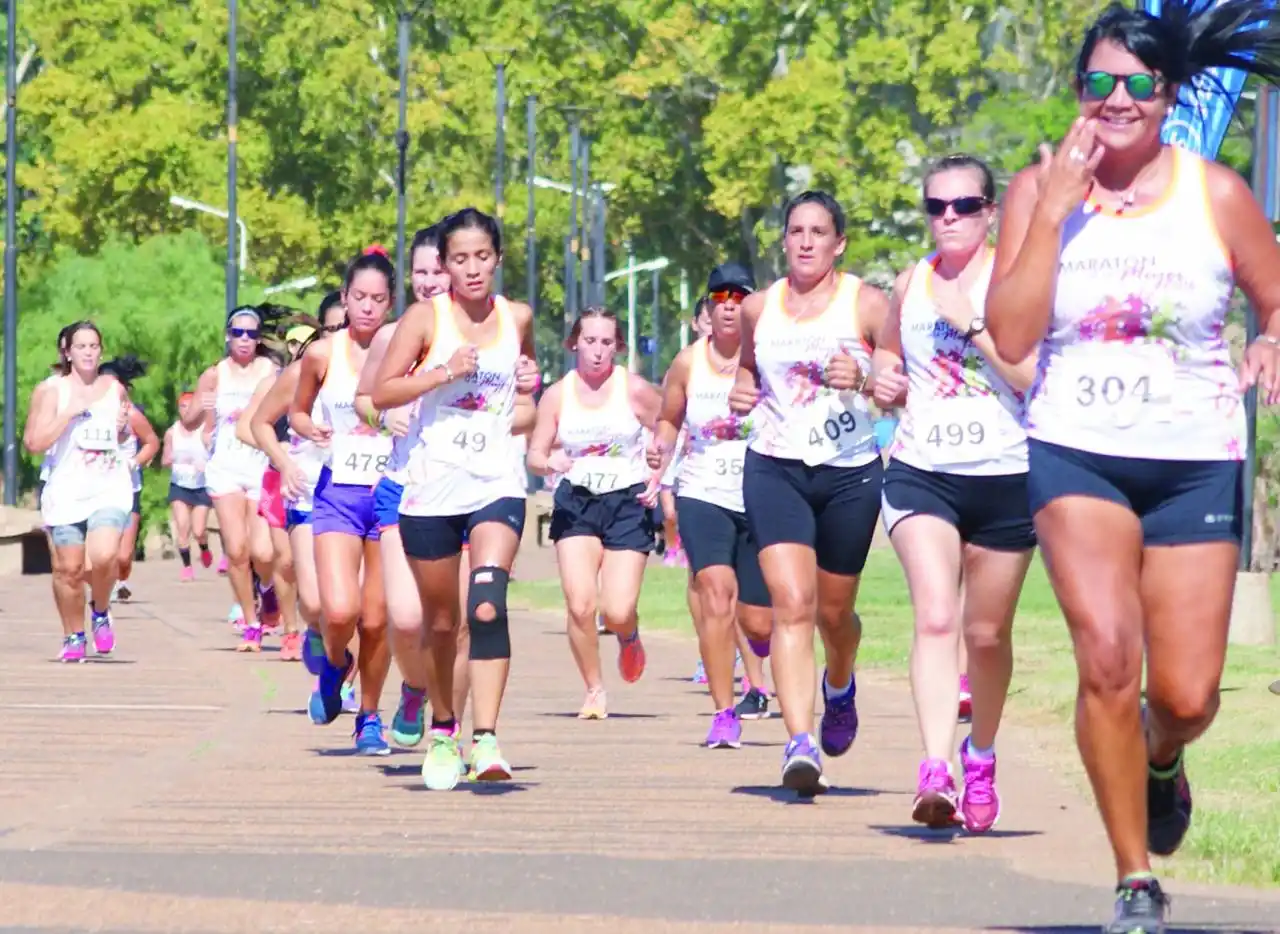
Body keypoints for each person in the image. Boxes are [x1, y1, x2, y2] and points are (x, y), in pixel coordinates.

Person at [984, 1, 1280, 928]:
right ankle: (1133, 874)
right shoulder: (1037, 193)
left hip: (1193, 456)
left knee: (1186, 694)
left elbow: (1275, 301)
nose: (1117, 99)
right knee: (1107, 658)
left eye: (1137, 84)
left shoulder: (1215, 193)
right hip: (1077, 451)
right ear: (1079, 93)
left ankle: (1162, 755)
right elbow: (1012, 330)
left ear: (1170, 95)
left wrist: (1269, 341)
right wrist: (1053, 211)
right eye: (1100, 82)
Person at [872, 153, 1036, 831]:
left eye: (964, 206)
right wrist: (881, 378)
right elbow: (885, 353)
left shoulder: (1018, 281)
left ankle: (982, 754)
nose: (948, 218)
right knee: (937, 617)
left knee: (987, 634)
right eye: (936, 207)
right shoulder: (911, 282)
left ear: (989, 212)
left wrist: (970, 322)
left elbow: (1030, 378)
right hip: (921, 470)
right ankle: (933, 768)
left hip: (1007, 473)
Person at [371, 207, 540, 788]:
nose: (472, 269)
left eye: (482, 257)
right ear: (444, 265)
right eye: (460, 259)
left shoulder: (516, 315)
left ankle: (487, 738)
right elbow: (383, 392)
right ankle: (444, 728)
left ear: (497, 259)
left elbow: (527, 368)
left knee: (486, 605)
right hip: (431, 487)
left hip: (496, 482)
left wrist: (528, 380)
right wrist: (441, 372)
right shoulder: (426, 318)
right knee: (441, 623)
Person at [729, 190, 890, 795]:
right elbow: (748, 368)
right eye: (795, 230)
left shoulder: (867, 305)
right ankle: (799, 742)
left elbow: (902, 381)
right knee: (791, 604)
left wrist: (868, 377)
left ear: (838, 243)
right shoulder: (758, 308)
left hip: (849, 471)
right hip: (775, 465)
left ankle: (840, 683)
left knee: (833, 613)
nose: (804, 242)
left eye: (818, 232)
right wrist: (743, 392)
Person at [648, 263, 773, 748]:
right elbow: (669, 420)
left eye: (738, 296)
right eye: (719, 296)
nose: (728, 304)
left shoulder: (768, 358)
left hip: (762, 489)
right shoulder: (687, 363)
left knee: (759, 620)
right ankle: (724, 712)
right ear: (708, 307)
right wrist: (660, 447)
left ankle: (761, 652)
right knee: (716, 594)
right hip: (702, 492)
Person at [291, 248, 398, 753]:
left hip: (389, 493)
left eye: (379, 299)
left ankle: (370, 717)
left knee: (377, 620)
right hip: (338, 492)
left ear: (392, 302)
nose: (369, 308)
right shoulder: (322, 354)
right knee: (338, 610)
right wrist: (307, 426)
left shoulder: (409, 351)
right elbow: (296, 412)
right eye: (359, 297)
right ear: (344, 297)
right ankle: (337, 664)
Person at [528, 308, 656, 720]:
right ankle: (594, 689)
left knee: (616, 610)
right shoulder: (557, 395)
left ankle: (628, 633)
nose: (598, 352)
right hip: (576, 501)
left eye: (606, 343)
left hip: (627, 501)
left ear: (617, 346)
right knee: (581, 604)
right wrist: (550, 464)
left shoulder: (633, 390)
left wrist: (658, 474)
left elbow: (670, 432)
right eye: (589, 341)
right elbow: (534, 452)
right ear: (574, 344)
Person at [23, 321, 132, 661]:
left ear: (101, 351)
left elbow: (124, 437)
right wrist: (66, 416)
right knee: (68, 570)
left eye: (94, 346)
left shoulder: (113, 388)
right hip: (66, 492)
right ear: (67, 352)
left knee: (103, 557)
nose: (88, 352)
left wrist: (123, 430)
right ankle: (73, 635)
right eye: (81, 346)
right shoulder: (51, 391)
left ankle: (100, 609)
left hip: (109, 487)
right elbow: (33, 443)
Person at [250, 297, 349, 669]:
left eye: (348, 325)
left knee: (350, 603)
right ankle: (317, 635)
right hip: (308, 491)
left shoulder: (380, 366)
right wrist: (285, 464)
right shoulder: (304, 370)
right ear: (321, 330)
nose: (344, 334)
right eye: (334, 328)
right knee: (315, 601)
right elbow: (259, 423)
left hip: (360, 493)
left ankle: (343, 677)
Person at [188, 306, 284, 646]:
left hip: (260, 463)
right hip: (225, 466)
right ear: (228, 335)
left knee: (263, 551)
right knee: (237, 549)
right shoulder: (214, 374)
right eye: (238, 332)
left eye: (252, 334)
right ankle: (251, 622)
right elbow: (189, 421)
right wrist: (203, 406)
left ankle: (269, 588)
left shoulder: (271, 372)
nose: (245, 339)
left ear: (260, 339)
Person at [100, 356, 160, 604]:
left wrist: (133, 462)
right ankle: (104, 588)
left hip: (128, 488)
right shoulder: (86, 413)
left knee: (124, 556)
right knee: (103, 550)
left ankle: (121, 580)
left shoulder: (131, 413)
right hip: (98, 489)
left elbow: (152, 443)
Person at [163, 391, 214, 580]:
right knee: (183, 527)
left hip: (201, 485)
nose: (186, 411)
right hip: (180, 485)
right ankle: (187, 567)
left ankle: (204, 547)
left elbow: (217, 456)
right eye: (183, 406)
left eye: (190, 406)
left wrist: (205, 465)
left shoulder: (205, 431)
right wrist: (172, 458)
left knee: (199, 529)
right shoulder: (172, 432)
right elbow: (164, 460)